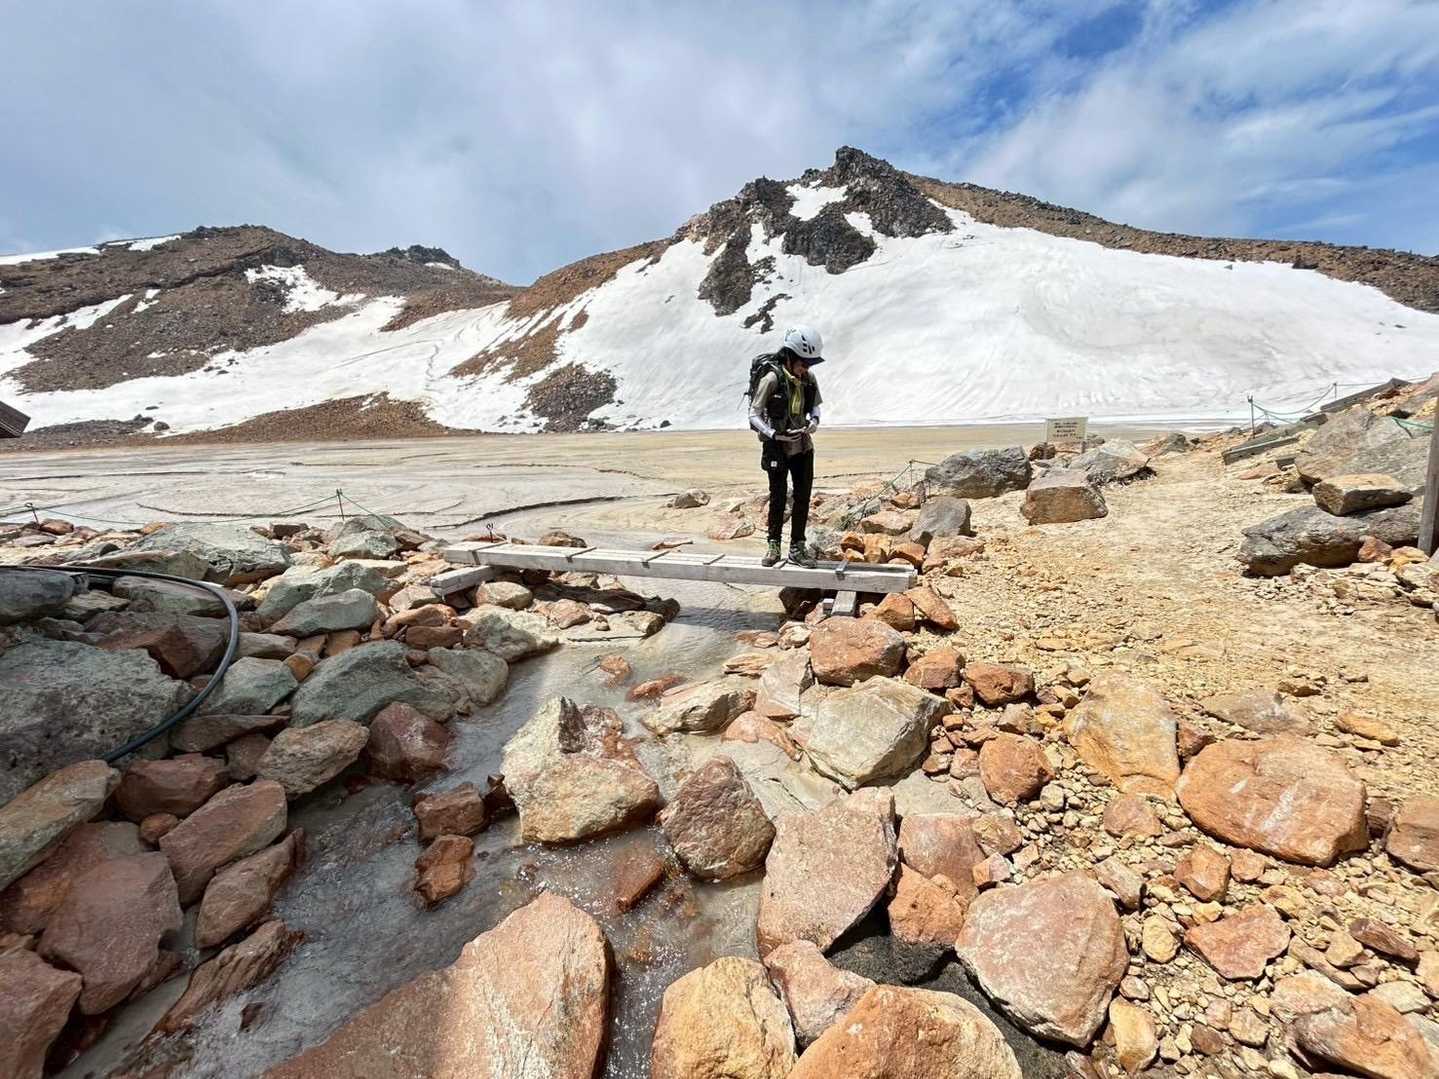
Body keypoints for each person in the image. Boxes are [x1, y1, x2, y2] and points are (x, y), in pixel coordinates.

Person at [748, 325, 824, 567]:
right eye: (803, 363)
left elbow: (815, 407)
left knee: (803, 497)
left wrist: (814, 422)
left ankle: (797, 548)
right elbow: (754, 414)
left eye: (809, 364)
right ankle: (773, 545)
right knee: (778, 497)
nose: (806, 368)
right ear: (790, 357)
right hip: (777, 448)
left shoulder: (809, 379)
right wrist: (774, 435)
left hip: (803, 446)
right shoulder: (772, 379)